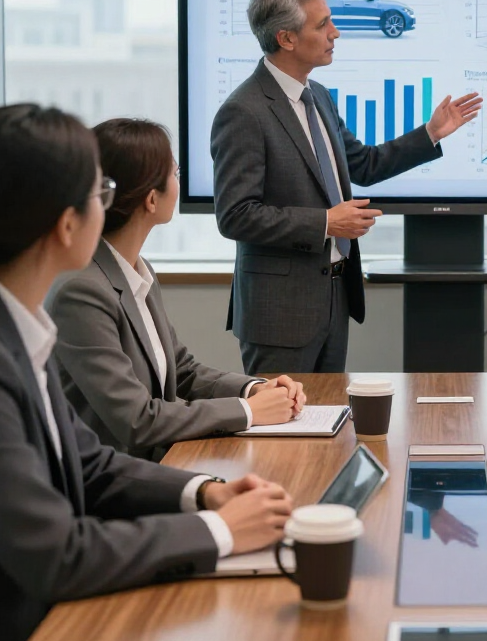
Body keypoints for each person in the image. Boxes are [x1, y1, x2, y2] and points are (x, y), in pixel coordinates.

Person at [0, 105, 294, 641]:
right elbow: (56, 555)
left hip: (50, 629)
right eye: (100, 192)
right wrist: (217, 531)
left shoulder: (10, 329)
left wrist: (205, 493)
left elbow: (90, 462)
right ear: (67, 224)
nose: (110, 206)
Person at [211, 0, 482, 374]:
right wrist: (325, 222)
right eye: (323, 25)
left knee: (327, 427)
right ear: (286, 38)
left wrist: (430, 134)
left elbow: (364, 164)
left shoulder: (317, 95)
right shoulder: (244, 111)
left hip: (333, 299)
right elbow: (235, 215)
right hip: (279, 314)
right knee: (283, 432)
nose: (336, 33)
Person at [49, 118, 305, 461]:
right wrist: (249, 411)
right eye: (175, 172)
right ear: (151, 199)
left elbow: (183, 370)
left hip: (157, 464)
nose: (179, 181)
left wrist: (256, 388)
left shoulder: (135, 269)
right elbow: (137, 420)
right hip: (114, 483)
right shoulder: (82, 291)